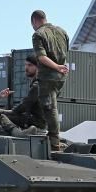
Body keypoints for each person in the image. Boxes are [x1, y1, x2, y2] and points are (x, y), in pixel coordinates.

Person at [30, 10, 70, 151]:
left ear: (34, 21)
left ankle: (54, 141)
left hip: (48, 76)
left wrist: (56, 67)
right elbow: (65, 53)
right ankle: (53, 136)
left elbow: (41, 57)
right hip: (60, 78)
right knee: (52, 106)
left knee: (49, 108)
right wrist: (61, 68)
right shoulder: (62, 31)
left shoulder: (38, 34)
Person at [2, 55, 47, 130]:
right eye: (25, 65)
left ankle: (18, 133)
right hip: (36, 119)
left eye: (30, 65)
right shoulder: (39, 82)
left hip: (37, 122)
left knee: (2, 116)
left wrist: (5, 112)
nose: (26, 68)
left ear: (38, 67)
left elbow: (25, 104)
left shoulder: (37, 85)